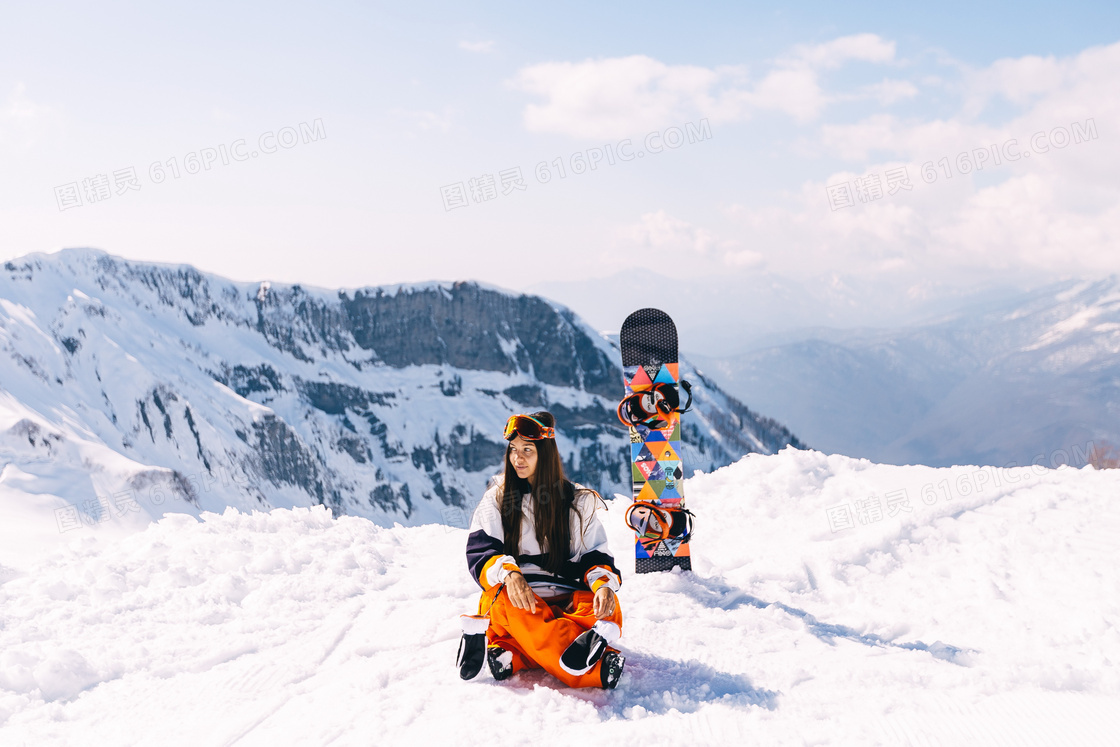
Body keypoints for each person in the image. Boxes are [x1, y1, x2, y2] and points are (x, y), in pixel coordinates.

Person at [455, 411, 625, 689]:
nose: (517, 458)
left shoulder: (576, 502)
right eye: (513, 450)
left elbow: (595, 556)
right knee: (510, 604)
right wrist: (511, 575)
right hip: (524, 602)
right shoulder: (497, 499)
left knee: (606, 605)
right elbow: (481, 553)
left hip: (566, 602)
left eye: (527, 450)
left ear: (544, 454)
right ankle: (596, 667)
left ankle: (515, 654)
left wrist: (603, 585)